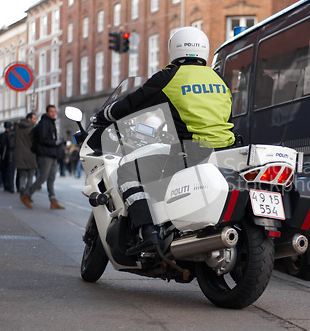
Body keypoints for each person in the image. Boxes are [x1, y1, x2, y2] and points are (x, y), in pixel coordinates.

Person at [94, 27, 234, 254]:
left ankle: (148, 232)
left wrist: (104, 115)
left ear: (174, 48)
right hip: (225, 150)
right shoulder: (218, 79)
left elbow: (133, 102)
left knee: (129, 172)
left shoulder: (169, 76)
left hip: (190, 151)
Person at [20, 105, 65, 210]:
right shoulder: (44, 123)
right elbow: (42, 139)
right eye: (51, 112)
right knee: (43, 177)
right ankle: (26, 195)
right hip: (45, 154)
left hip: (51, 153)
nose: (53, 113)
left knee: (51, 177)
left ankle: (53, 200)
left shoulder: (50, 122)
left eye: (54, 111)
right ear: (47, 112)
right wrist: (55, 142)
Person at [14, 112, 38, 196]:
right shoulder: (32, 129)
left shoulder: (18, 129)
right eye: (34, 118)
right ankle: (27, 194)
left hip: (20, 155)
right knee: (31, 176)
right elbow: (34, 142)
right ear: (29, 119)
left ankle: (22, 188)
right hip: (31, 154)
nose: (35, 120)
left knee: (22, 175)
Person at [0, 121, 16, 193]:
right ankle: (11, 186)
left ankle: (6, 185)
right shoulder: (14, 134)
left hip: (3, 156)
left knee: (4, 171)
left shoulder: (2, 135)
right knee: (11, 171)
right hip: (12, 155)